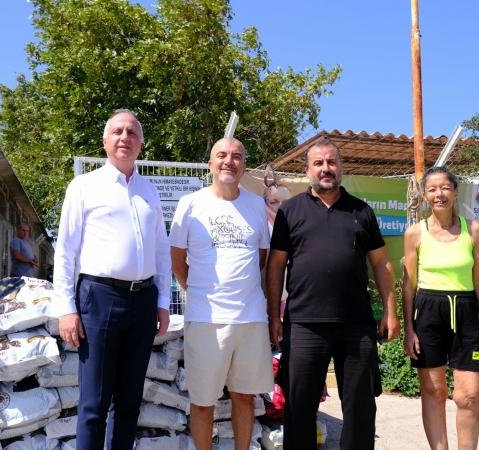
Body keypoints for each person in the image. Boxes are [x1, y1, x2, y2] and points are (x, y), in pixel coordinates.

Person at [265, 137, 400, 450]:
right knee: (299, 406)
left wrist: (391, 312)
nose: (326, 168)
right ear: (308, 169)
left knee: (361, 406)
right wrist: (275, 315)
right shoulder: (290, 211)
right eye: (319, 163)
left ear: (341, 167)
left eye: (331, 162)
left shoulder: (361, 211)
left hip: (356, 325)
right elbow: (275, 266)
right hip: (304, 324)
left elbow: (380, 264)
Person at [52, 109, 171, 450]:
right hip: (99, 298)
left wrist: (162, 302)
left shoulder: (149, 190)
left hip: (143, 300)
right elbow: (65, 251)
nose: (124, 138)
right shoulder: (84, 186)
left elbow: (161, 251)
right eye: (117, 131)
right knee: (94, 403)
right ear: (105, 141)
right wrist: (66, 309)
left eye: (132, 133)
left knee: (130, 401)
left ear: (141, 144)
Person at [170, 138, 273, 450]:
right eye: (222, 155)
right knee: (203, 401)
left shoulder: (256, 205)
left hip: (251, 318)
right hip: (206, 319)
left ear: (243, 165)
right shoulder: (190, 204)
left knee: (245, 396)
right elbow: (177, 260)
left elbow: (262, 259)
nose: (230, 161)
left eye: (237, 156)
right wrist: (199, 291)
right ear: (210, 164)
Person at [402, 166, 479, 450]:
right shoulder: (415, 233)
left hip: (466, 313)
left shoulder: (474, 229)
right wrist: (410, 329)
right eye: (432, 189)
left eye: (444, 188)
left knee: (468, 395)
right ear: (424, 194)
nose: (438, 194)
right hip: (429, 313)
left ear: (455, 191)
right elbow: (408, 286)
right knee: (434, 391)